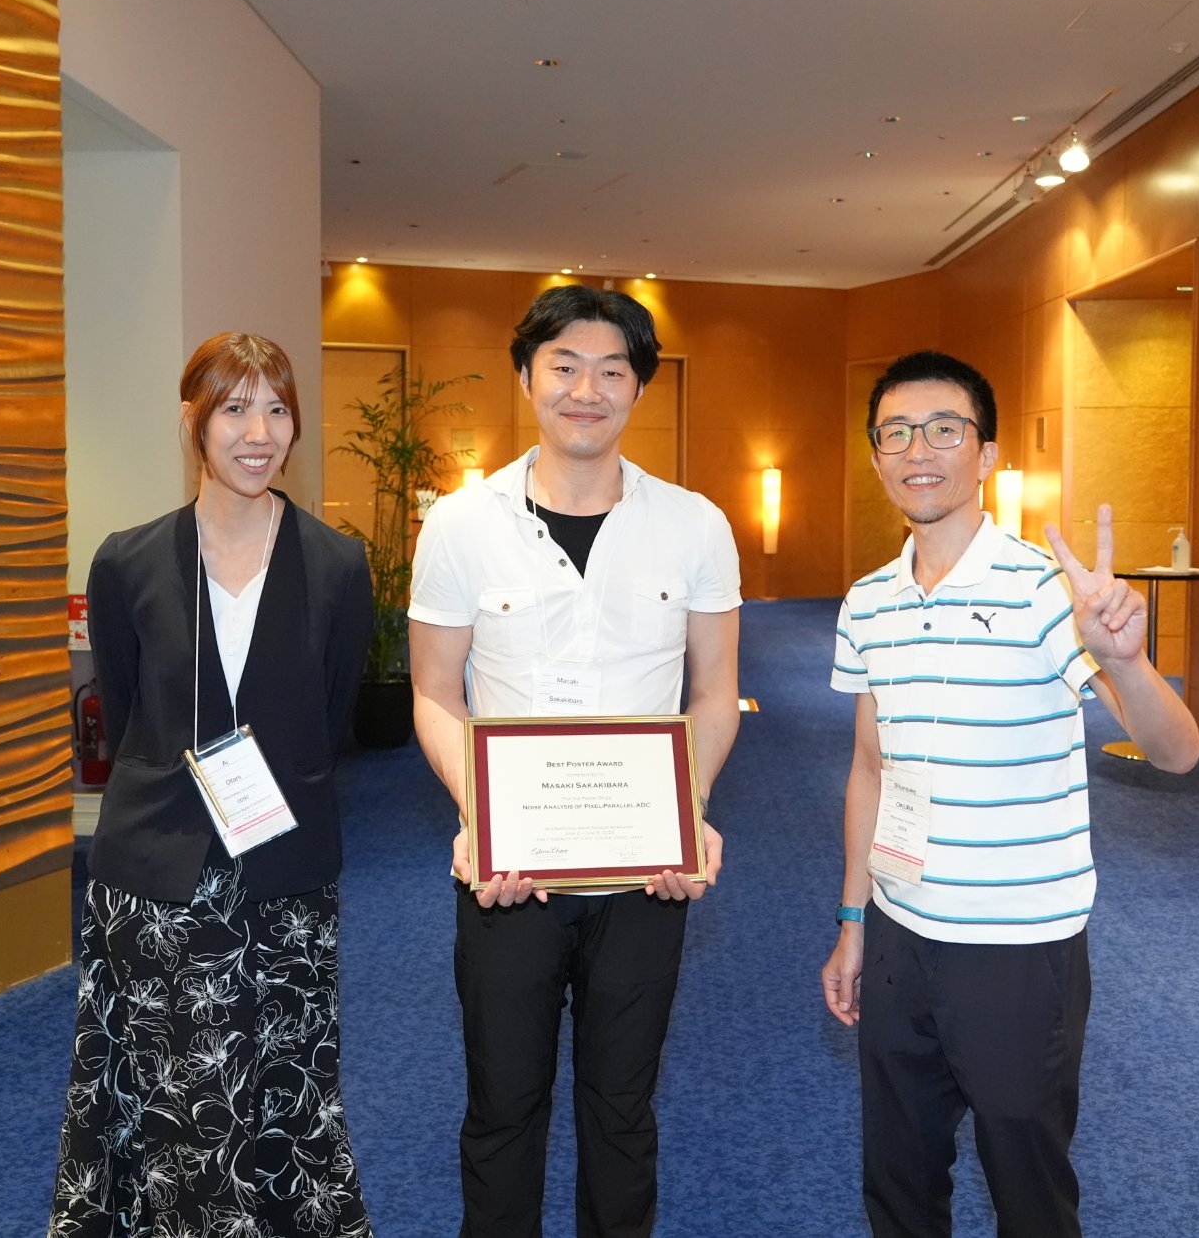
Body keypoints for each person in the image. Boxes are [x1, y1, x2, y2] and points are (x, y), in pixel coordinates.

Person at [820, 350, 1199, 1238]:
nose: (919, 449)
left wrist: (1126, 660)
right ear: (876, 456)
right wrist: (853, 918)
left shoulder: (1046, 590)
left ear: (985, 453)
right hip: (900, 931)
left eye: (944, 429)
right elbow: (871, 767)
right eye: (896, 432)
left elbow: (1177, 751)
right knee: (898, 1183)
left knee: (1028, 1191)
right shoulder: (868, 601)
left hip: (1018, 945)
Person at [407, 284, 742, 1238]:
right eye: (564, 366)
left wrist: (687, 807)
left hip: (646, 877)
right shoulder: (460, 525)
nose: (585, 390)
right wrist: (482, 817)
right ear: (526, 376)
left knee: (622, 1112)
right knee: (502, 1109)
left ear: (639, 387)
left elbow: (716, 693)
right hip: (507, 876)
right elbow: (435, 693)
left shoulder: (695, 525)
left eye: (611, 370)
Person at [52, 333, 376, 1238]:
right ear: (192, 421)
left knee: (287, 1085)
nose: (257, 432)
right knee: (168, 1093)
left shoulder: (337, 566)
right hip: (155, 879)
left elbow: (330, 717)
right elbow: (131, 718)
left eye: (276, 409)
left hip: (285, 877)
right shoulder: (128, 562)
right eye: (234, 408)